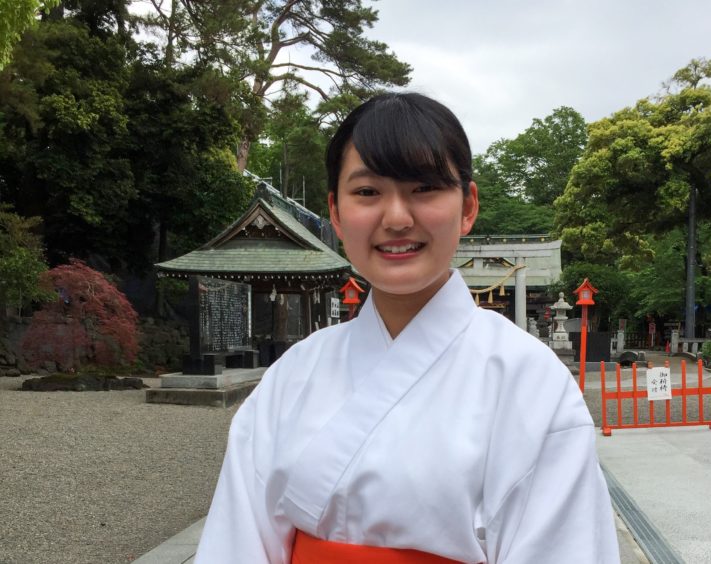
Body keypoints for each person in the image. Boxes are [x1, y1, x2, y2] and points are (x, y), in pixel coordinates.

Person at [195, 93, 620, 563]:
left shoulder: (529, 380)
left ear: (468, 206)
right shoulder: (292, 374)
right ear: (335, 212)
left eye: (424, 189)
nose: (397, 218)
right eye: (367, 192)